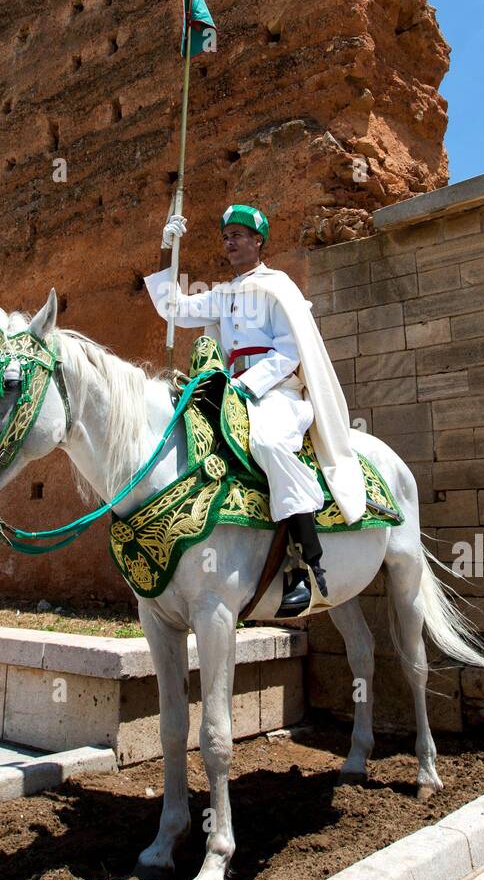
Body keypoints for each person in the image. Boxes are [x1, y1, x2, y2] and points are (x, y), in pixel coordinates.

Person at [143, 203, 366, 617]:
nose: (229, 242)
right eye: (226, 236)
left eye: (238, 236)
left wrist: (246, 386)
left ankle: (303, 564)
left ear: (258, 241)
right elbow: (171, 308)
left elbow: (288, 350)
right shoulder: (223, 294)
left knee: (266, 442)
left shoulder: (278, 287)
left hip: (278, 393)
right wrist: (165, 247)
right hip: (232, 391)